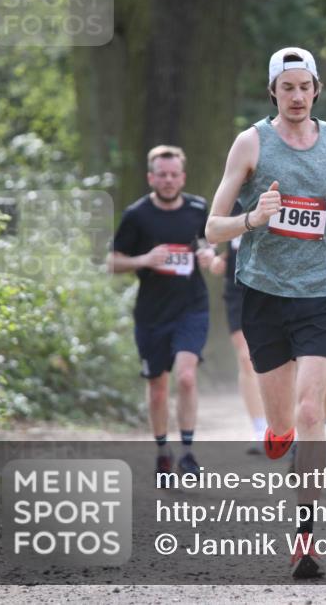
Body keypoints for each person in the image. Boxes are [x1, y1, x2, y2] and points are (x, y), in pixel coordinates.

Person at [205, 47, 326, 580]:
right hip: (265, 293)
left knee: (311, 412)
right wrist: (254, 217)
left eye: (305, 87)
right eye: (287, 87)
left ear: (316, 88)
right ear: (272, 90)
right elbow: (213, 227)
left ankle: (304, 541)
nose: (297, 97)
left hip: (323, 292)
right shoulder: (251, 142)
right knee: (282, 425)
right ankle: (276, 433)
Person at [109, 145, 215, 479]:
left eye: (174, 175)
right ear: (151, 177)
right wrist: (144, 260)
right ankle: (162, 451)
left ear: (182, 177)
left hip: (191, 307)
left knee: (185, 377)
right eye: (162, 175)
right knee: (158, 387)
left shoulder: (199, 209)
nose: (168, 181)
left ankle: (187, 451)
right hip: (152, 312)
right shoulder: (137, 215)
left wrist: (208, 254)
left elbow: (208, 242)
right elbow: (113, 261)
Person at [209, 200, 266, 454]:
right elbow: (213, 235)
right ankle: (260, 428)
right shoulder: (232, 197)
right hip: (238, 289)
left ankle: (287, 427)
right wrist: (218, 259)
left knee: (284, 360)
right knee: (246, 358)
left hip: (276, 286)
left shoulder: (282, 186)